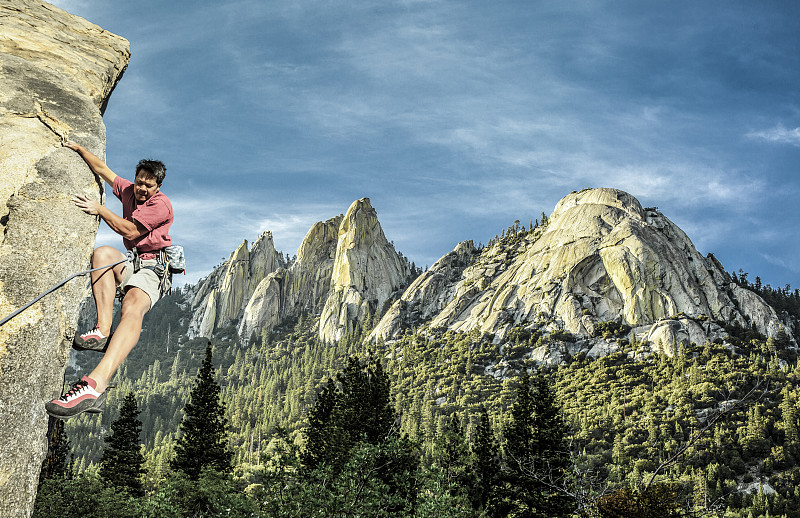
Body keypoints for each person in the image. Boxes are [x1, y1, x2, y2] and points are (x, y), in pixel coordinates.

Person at [46, 141, 174, 419]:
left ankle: (95, 385)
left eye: (148, 186)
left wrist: (100, 209)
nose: (141, 189)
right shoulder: (129, 190)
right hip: (134, 263)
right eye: (139, 182)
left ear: (157, 188)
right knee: (103, 254)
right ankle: (102, 329)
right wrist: (80, 148)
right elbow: (103, 169)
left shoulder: (160, 205)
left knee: (132, 306)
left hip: (155, 268)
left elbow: (129, 230)